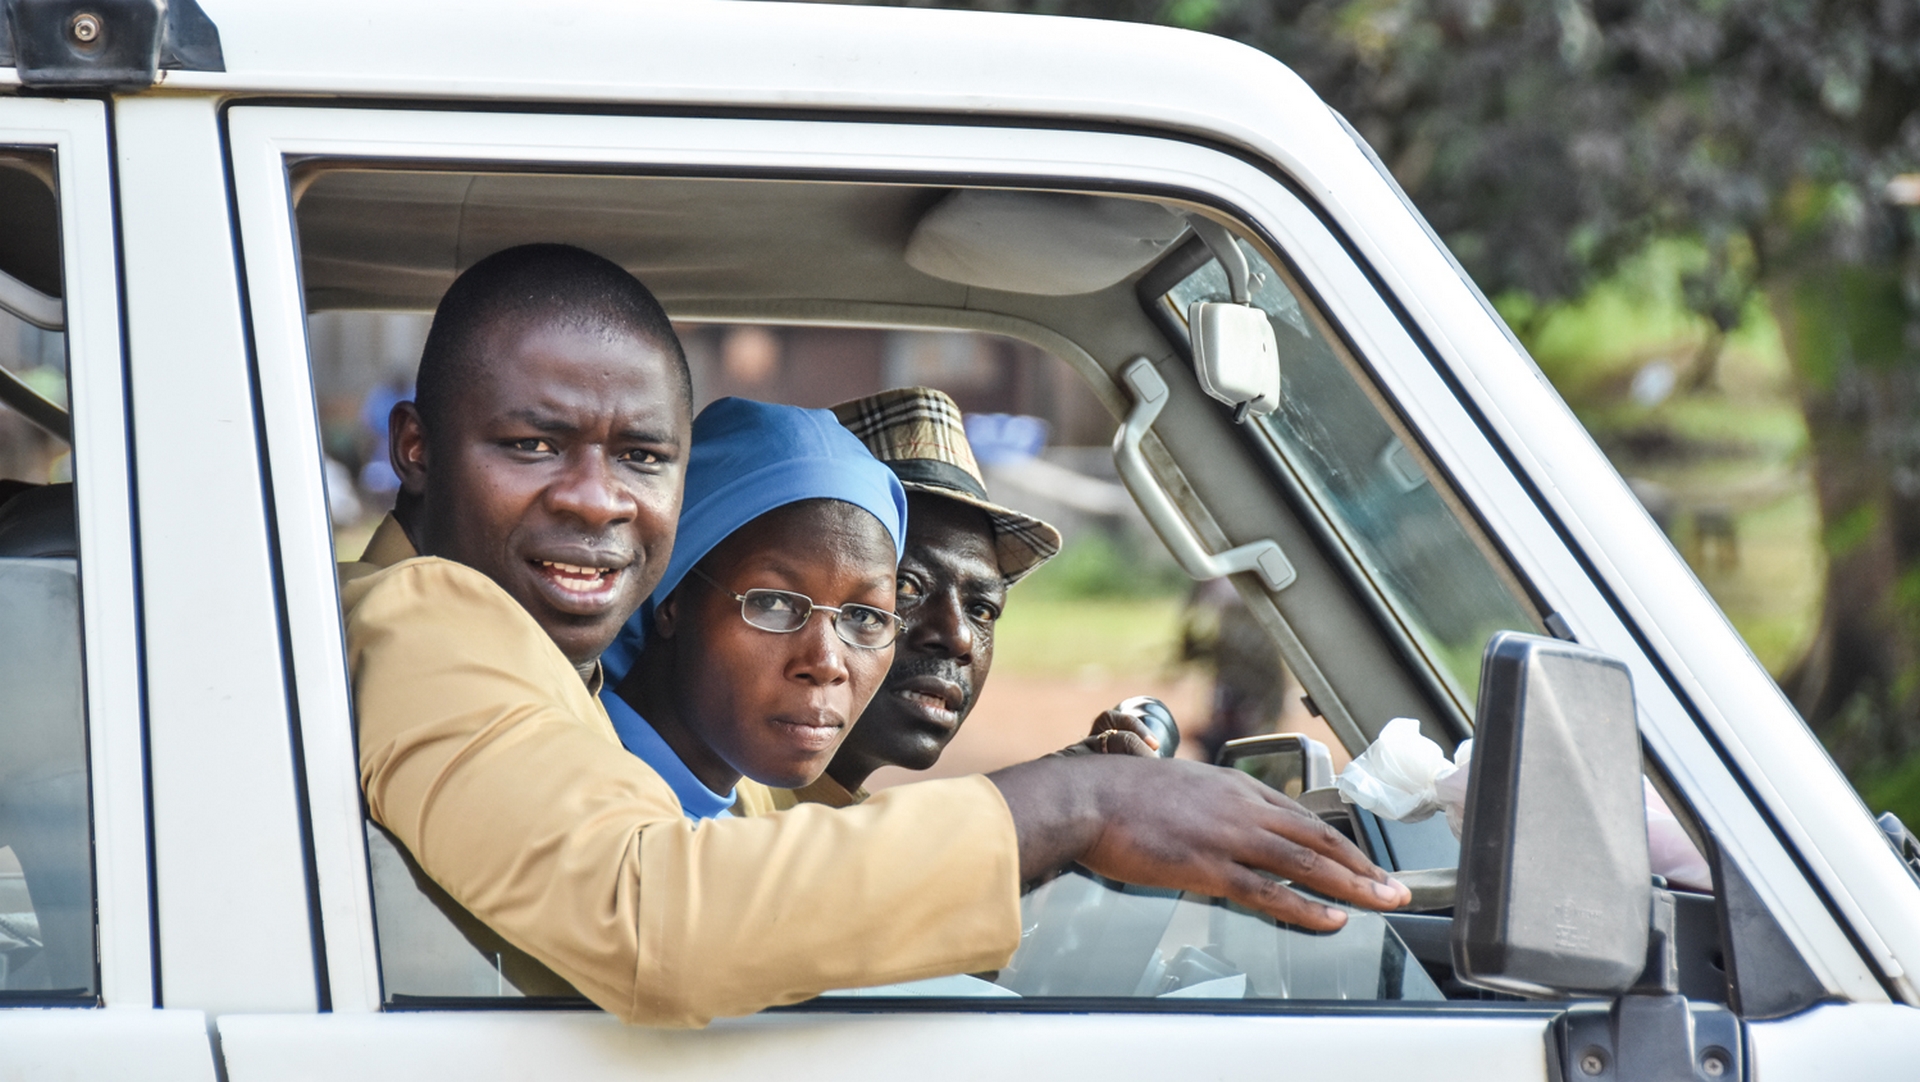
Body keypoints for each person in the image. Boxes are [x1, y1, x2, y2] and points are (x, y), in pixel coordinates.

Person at [345, 242, 1410, 1028]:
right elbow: (659, 915)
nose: (596, 499)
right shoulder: (430, 614)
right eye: (532, 443)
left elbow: (763, 851)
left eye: (641, 458)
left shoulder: (539, 666)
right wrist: (1080, 804)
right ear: (419, 449)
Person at [772, 387, 1155, 810]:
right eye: (905, 587)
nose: (958, 637)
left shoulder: (818, 817)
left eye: (981, 609)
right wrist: (1056, 801)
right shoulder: (732, 814)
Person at [603, 396, 910, 816]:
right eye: (774, 603)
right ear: (670, 596)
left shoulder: (731, 811)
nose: (825, 662)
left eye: (864, 616)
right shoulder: (589, 802)